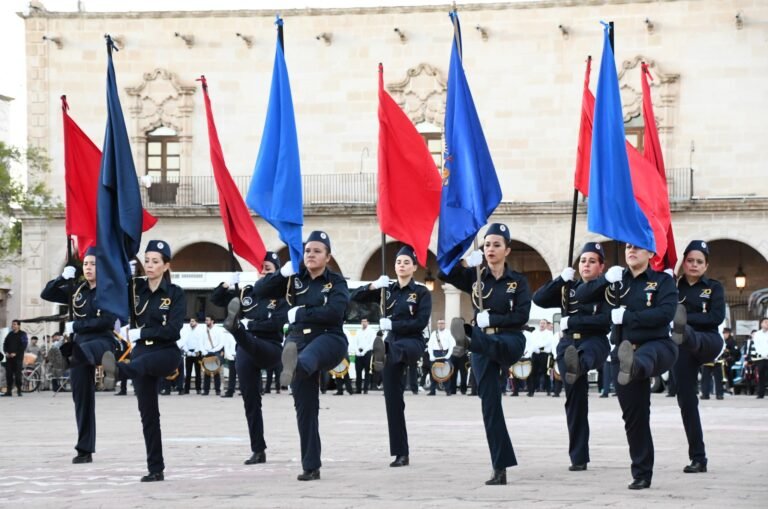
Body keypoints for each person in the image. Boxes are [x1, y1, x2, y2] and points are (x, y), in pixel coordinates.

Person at [250, 231, 348, 481]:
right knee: (305, 409)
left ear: (328, 257)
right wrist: (281, 272)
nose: (311, 254)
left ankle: (294, 366)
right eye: (307, 251)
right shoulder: (294, 278)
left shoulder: (336, 282)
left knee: (309, 357)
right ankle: (311, 466)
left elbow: (335, 312)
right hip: (297, 340)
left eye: (317, 251)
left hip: (329, 338)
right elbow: (260, 291)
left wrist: (301, 313)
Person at [439, 223, 531, 485]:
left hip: (510, 338)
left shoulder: (518, 282)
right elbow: (444, 271)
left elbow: (522, 315)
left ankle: (466, 340)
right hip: (482, 342)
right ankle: (499, 466)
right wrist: (466, 262)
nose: (490, 249)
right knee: (490, 406)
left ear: (507, 250)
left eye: (496, 245)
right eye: (487, 244)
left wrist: (495, 317)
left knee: (493, 344)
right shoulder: (476, 277)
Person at [101, 240, 185, 482]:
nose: (149, 265)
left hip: (166, 353)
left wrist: (142, 333)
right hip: (140, 353)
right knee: (148, 414)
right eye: (147, 260)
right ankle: (155, 468)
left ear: (166, 265)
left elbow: (174, 330)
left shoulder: (175, 293)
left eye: (155, 261)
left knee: (141, 366)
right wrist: (122, 271)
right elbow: (114, 294)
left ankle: (118, 372)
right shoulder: (135, 288)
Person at [599, 243, 678, 490]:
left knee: (644, 357)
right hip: (623, 350)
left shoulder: (662, 282)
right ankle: (642, 472)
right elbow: (580, 298)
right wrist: (601, 282)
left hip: (657, 345)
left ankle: (633, 366)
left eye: (638, 247)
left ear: (651, 254)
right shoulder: (616, 282)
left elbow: (665, 314)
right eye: (629, 247)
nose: (631, 251)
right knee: (635, 417)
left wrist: (629, 317)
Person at [532, 242, 611, 471]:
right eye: (583, 260)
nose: (586, 264)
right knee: (574, 402)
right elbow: (539, 299)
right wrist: (559, 279)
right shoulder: (569, 288)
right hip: (568, 343)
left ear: (601, 267)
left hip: (594, 340)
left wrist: (574, 321)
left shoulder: (607, 288)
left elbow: (604, 321)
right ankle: (579, 457)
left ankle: (578, 364)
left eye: (592, 261)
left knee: (584, 357)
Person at [351, 245, 431, 467]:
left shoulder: (422, 292)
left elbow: (421, 322)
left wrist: (393, 323)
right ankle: (401, 453)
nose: (402, 265)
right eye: (398, 262)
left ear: (414, 267)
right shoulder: (387, 290)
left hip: (412, 341)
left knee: (394, 349)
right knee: (393, 401)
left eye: (406, 262)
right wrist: (375, 285)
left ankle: (382, 353)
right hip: (391, 341)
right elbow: (355, 297)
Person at [40, 249, 120, 463]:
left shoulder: (108, 291)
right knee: (82, 399)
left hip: (102, 341)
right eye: (85, 263)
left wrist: (77, 324)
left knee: (78, 350)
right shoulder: (77, 290)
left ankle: (71, 361)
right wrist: (61, 278)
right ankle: (84, 450)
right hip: (81, 345)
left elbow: (108, 321)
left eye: (93, 264)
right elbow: (46, 294)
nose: (88, 267)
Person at [216, 251, 287, 465]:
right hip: (246, 348)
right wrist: (227, 286)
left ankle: (237, 329)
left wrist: (248, 325)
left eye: (268, 269)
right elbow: (216, 300)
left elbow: (276, 323)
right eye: (261, 268)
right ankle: (258, 450)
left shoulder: (283, 295)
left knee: (246, 336)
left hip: (270, 347)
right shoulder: (248, 292)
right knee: (250, 401)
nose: (263, 272)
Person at [671, 240, 727, 473]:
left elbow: (715, 317)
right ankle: (698, 457)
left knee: (688, 332)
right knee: (686, 401)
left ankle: (686, 331)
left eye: (699, 262)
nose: (694, 265)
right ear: (683, 262)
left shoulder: (714, 287)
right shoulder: (673, 287)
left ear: (706, 265)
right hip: (682, 349)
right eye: (690, 260)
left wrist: (687, 321)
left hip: (708, 341)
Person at [426, 319, 455, 396]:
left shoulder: (448, 333)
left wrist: (448, 355)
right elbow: (430, 346)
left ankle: (448, 390)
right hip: (435, 353)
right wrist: (431, 355)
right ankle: (432, 390)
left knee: (446, 372)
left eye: (442, 323)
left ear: (444, 324)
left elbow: (452, 345)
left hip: (445, 353)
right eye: (439, 323)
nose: (440, 325)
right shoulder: (433, 333)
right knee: (433, 372)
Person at [2, 320, 28, 397]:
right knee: (8, 375)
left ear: (19, 326)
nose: (13, 326)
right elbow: (4, 344)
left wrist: (16, 353)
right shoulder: (10, 334)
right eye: (12, 324)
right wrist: (6, 352)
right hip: (9, 358)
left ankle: (19, 391)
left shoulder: (23, 334)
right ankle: (8, 391)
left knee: (17, 375)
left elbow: (24, 345)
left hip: (18, 358)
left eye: (14, 324)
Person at [201, 316, 225, 396]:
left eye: (207, 320)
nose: (206, 321)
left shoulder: (218, 330)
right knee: (206, 372)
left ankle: (217, 390)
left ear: (212, 321)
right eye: (205, 320)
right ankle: (206, 390)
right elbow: (200, 342)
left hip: (215, 352)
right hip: (206, 353)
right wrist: (204, 351)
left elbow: (221, 342)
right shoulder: (203, 330)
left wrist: (214, 350)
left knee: (216, 372)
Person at [181, 317, 205, 395]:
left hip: (197, 353)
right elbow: (184, 341)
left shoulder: (200, 331)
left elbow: (200, 342)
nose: (191, 323)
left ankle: (198, 388)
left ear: (196, 323)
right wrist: (187, 351)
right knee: (188, 372)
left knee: (198, 371)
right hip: (189, 352)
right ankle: (186, 389)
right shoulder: (186, 331)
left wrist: (196, 351)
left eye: (193, 321)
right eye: (190, 321)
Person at [353, 318, 375, 394]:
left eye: (365, 321)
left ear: (368, 322)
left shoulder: (371, 331)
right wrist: (357, 351)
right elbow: (355, 342)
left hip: (367, 352)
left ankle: (365, 389)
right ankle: (358, 389)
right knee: (358, 372)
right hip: (358, 353)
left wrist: (364, 351)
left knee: (367, 371)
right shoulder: (358, 331)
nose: (363, 323)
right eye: (362, 321)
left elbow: (371, 343)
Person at [753, 318, 768, 399]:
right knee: (761, 376)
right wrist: (763, 354)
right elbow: (756, 346)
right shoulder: (757, 334)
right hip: (761, 358)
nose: (767, 324)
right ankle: (760, 393)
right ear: (761, 324)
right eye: (765, 322)